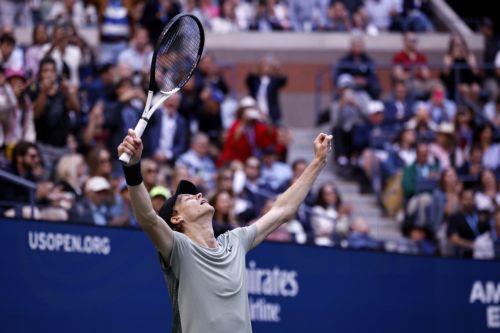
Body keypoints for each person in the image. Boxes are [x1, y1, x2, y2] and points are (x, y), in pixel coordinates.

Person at [117, 129, 332, 332]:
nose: (199, 195)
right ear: (176, 218)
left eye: (197, 194)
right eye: (189, 198)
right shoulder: (179, 249)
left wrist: (318, 161)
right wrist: (133, 167)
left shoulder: (235, 241)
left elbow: (283, 210)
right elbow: (148, 218)